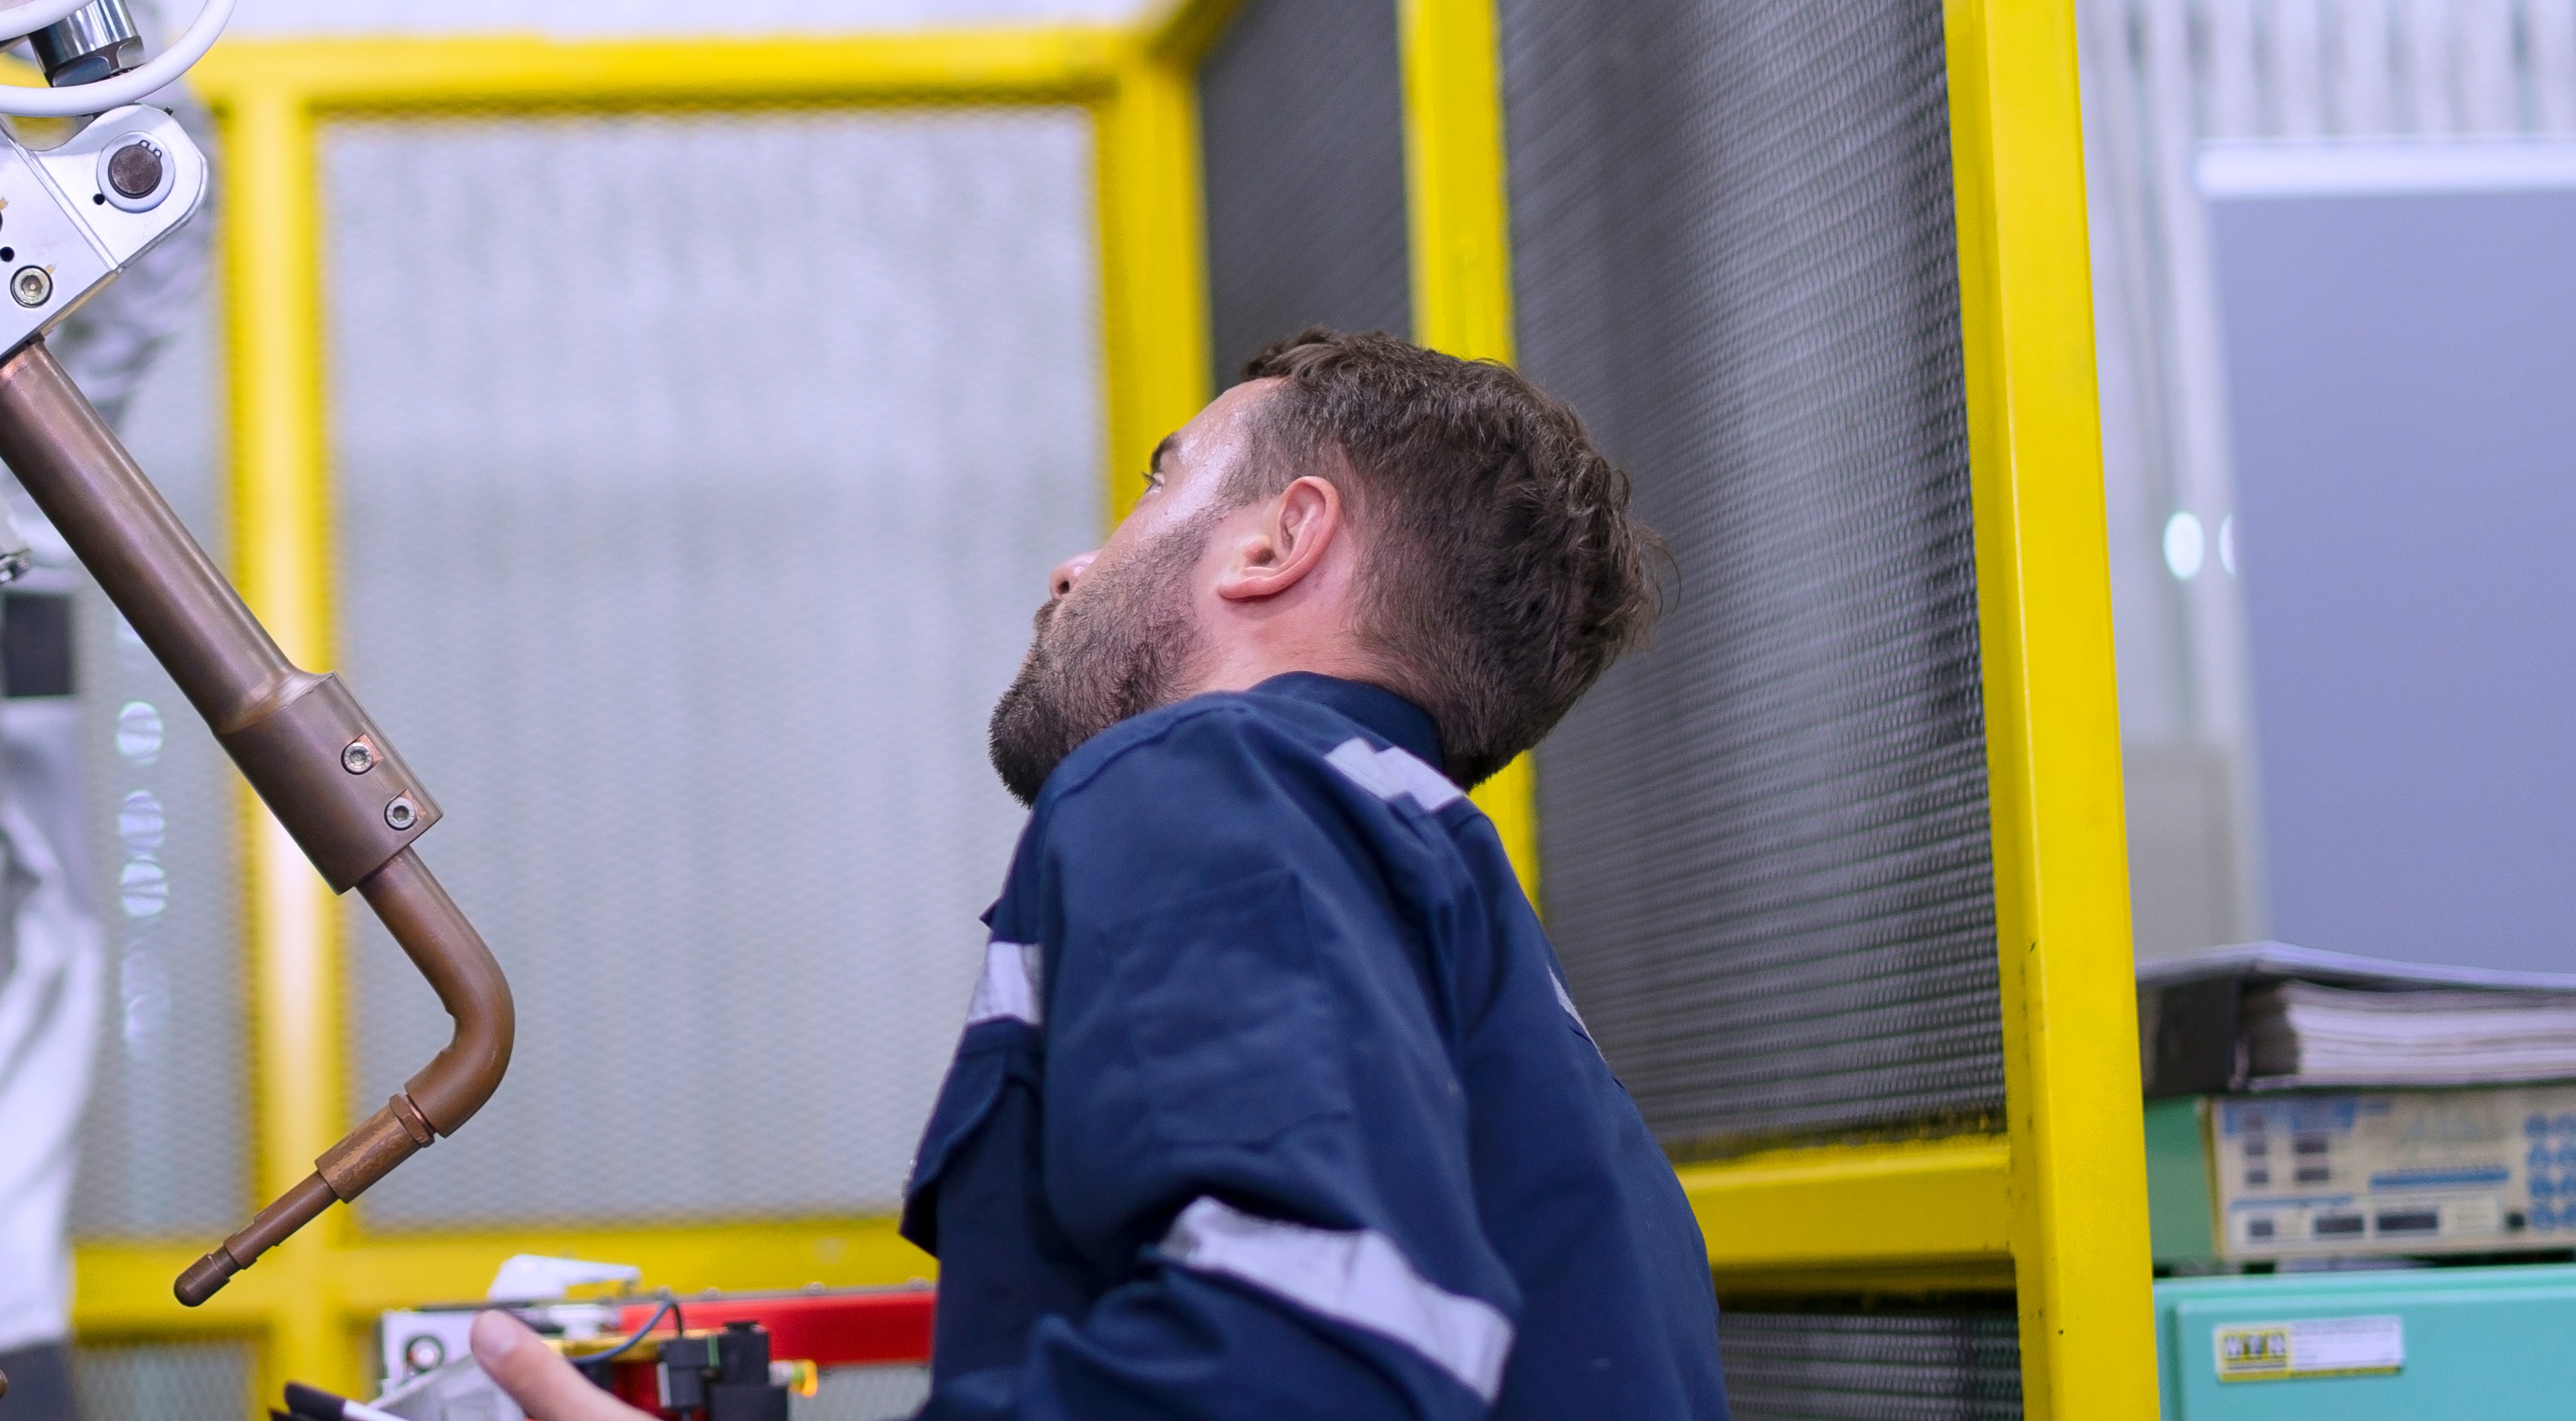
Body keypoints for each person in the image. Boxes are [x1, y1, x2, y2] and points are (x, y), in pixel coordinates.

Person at [465, 330, 1726, 1419]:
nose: (1076, 568)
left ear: (1281, 539)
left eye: (1160, 479)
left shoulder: (1205, 772)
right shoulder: (1451, 906)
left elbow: (1303, 1359)